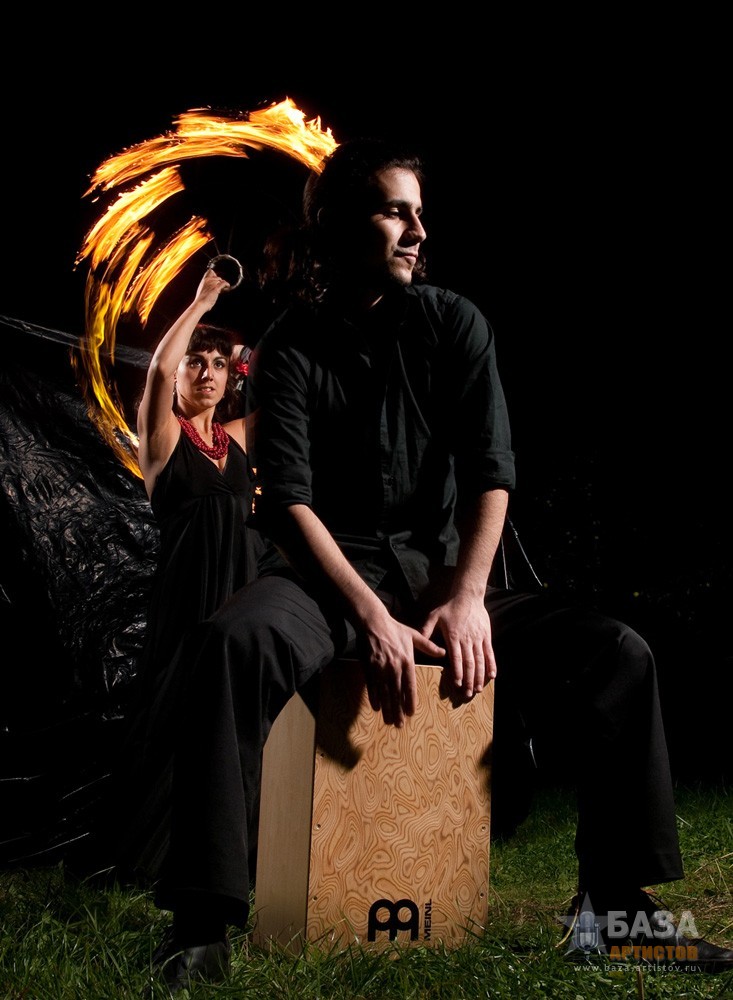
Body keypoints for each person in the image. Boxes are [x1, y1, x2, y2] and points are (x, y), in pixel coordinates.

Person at [149, 138, 733, 992]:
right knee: (232, 642)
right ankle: (201, 926)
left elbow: (492, 471)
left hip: (443, 578)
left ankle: (612, 914)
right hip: (327, 580)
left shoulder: (454, 322)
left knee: (617, 653)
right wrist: (367, 615)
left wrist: (466, 598)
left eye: (419, 212)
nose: (418, 230)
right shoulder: (290, 346)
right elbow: (289, 503)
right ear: (339, 225)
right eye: (395, 211)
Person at [100, 264, 262, 970]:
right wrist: (202, 302)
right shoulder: (163, 438)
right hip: (187, 600)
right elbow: (161, 368)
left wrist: (253, 346)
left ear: (232, 378)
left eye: (219, 364)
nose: (206, 372)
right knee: (176, 714)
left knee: (231, 723)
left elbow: (287, 388)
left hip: (239, 596)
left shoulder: (240, 441)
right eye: (199, 361)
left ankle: (228, 853)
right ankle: (154, 856)